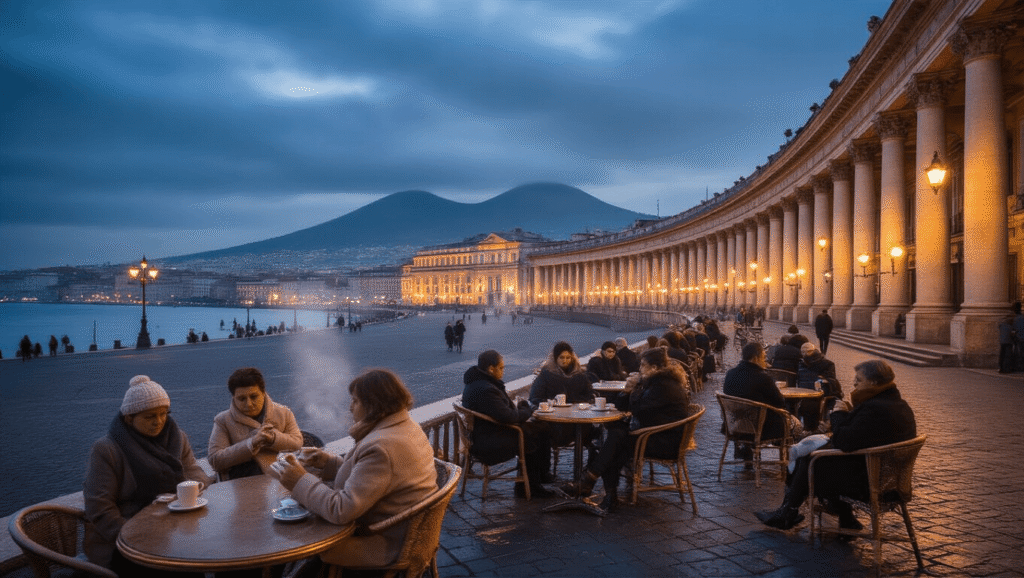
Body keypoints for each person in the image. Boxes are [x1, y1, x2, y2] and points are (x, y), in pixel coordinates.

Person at [272, 369, 437, 570]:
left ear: (373, 406)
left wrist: (299, 480)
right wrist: (328, 462)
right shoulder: (405, 427)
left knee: (295, 537)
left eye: (355, 401)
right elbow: (374, 478)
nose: (350, 408)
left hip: (382, 543)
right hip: (400, 530)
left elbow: (341, 510)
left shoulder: (381, 446)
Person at [755, 359, 917, 531]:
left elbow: (843, 441)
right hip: (885, 476)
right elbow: (862, 436)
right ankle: (844, 519)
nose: (854, 383)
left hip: (871, 481)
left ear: (874, 382)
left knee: (810, 461)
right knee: (815, 457)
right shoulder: (897, 405)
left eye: (859, 379)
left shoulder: (876, 408)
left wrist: (838, 414)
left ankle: (788, 512)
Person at [83, 375, 212, 576]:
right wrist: (134, 536)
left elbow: (196, 473)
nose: (158, 422)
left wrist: (188, 491)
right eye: (150, 416)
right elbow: (99, 508)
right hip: (124, 541)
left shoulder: (177, 438)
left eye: (163, 414)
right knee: (179, 567)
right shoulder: (107, 449)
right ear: (129, 418)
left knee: (198, 558)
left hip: (174, 527)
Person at [560, 347, 690, 512]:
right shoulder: (656, 383)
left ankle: (590, 483)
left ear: (654, 368)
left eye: (643, 365)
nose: (639, 369)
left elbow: (638, 409)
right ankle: (599, 489)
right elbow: (622, 406)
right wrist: (628, 391)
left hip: (664, 442)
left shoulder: (664, 386)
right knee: (613, 439)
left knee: (614, 441)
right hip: (654, 435)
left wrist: (632, 389)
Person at [461, 350, 554, 498]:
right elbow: (509, 417)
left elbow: (502, 413)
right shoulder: (486, 390)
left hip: (486, 434)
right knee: (537, 431)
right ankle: (532, 484)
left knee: (537, 428)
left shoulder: (478, 383)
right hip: (489, 443)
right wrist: (527, 410)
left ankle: (537, 476)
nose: (503, 371)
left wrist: (522, 409)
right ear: (491, 369)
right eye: (501, 368)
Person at [208, 367, 302, 480]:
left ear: (263, 393)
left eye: (254, 397)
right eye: (242, 399)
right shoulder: (222, 420)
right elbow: (215, 460)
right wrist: (251, 443)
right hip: (243, 481)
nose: (249, 404)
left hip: (283, 477)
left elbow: (297, 443)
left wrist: (273, 438)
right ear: (234, 398)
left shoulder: (284, 413)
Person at [723, 342, 798, 463]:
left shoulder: (730, 374)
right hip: (760, 428)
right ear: (755, 358)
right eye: (763, 357)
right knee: (796, 424)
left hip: (734, 426)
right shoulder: (763, 378)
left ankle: (746, 451)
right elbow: (779, 403)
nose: (765, 360)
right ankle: (791, 463)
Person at [530, 341, 596, 449]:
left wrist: (575, 401)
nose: (565, 360)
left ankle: (589, 451)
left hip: (579, 418)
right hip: (556, 421)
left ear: (572, 358)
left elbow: (590, 395)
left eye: (568, 357)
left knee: (586, 429)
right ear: (556, 358)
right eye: (561, 357)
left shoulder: (580, 375)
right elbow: (535, 397)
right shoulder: (546, 375)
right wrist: (550, 403)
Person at [795, 343, 843, 431]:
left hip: (818, 393)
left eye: (806, 352)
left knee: (809, 404)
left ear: (812, 351)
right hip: (803, 393)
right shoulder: (801, 363)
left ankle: (809, 428)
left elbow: (831, 380)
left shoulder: (826, 364)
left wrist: (821, 382)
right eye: (802, 352)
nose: (804, 354)